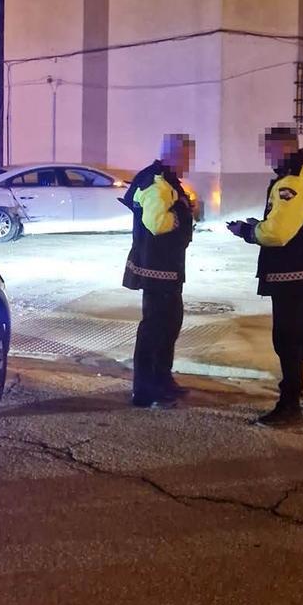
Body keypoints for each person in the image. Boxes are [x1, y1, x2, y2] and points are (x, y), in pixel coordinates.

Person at [227, 126, 303, 427]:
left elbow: (277, 233)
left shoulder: (290, 183)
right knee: (302, 331)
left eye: (270, 150)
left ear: (284, 149)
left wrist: (248, 231)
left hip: (291, 271)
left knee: (287, 338)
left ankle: (289, 404)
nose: (267, 157)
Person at [120, 134, 195, 408]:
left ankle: (163, 380)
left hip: (168, 269)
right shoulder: (156, 182)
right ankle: (145, 391)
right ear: (172, 155)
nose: (189, 163)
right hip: (156, 270)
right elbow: (156, 223)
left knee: (170, 325)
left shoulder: (168, 181)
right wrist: (182, 216)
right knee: (154, 329)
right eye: (186, 157)